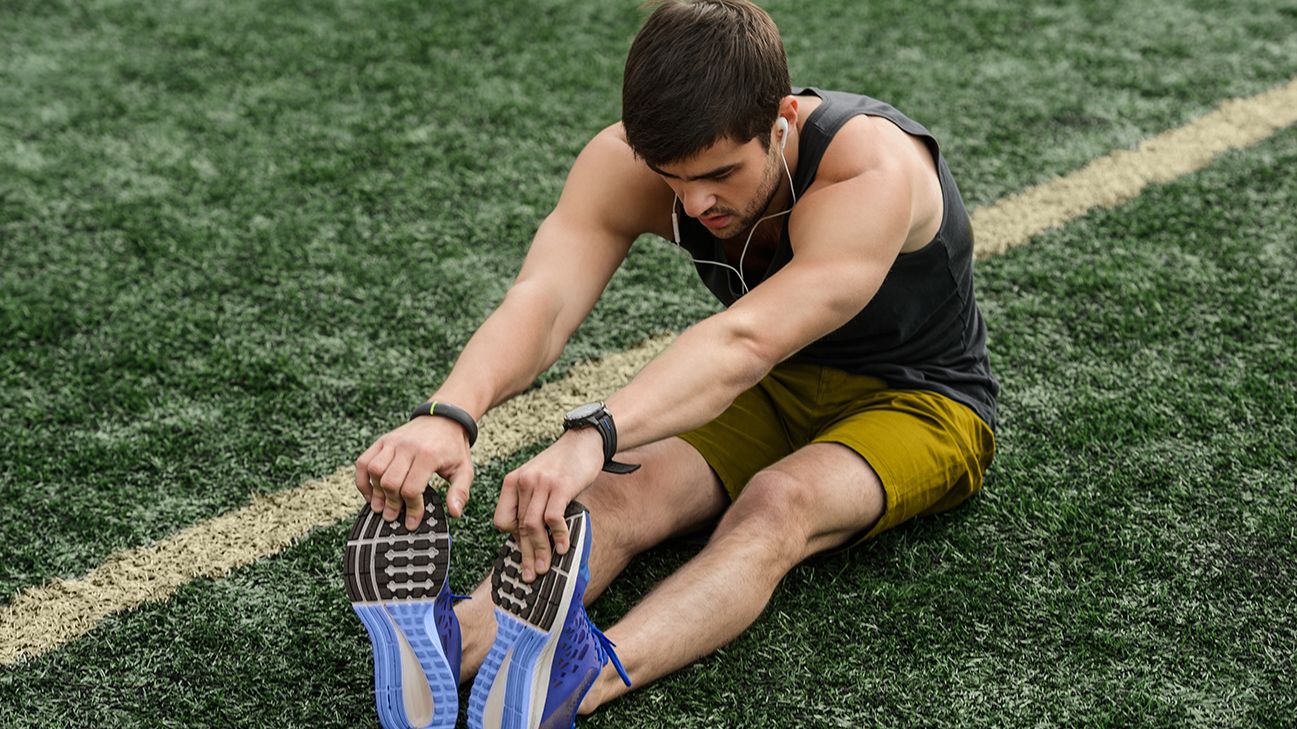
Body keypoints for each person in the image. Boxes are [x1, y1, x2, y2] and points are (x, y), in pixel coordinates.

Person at [343, 1, 999, 727]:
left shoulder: (866, 169)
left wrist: (591, 433)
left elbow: (742, 340)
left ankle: (581, 679)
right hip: (769, 386)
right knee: (608, 504)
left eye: (719, 173)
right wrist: (449, 413)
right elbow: (544, 299)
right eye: (671, 176)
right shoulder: (629, 162)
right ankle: (455, 642)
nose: (694, 201)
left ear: (780, 118)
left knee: (778, 502)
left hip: (917, 401)